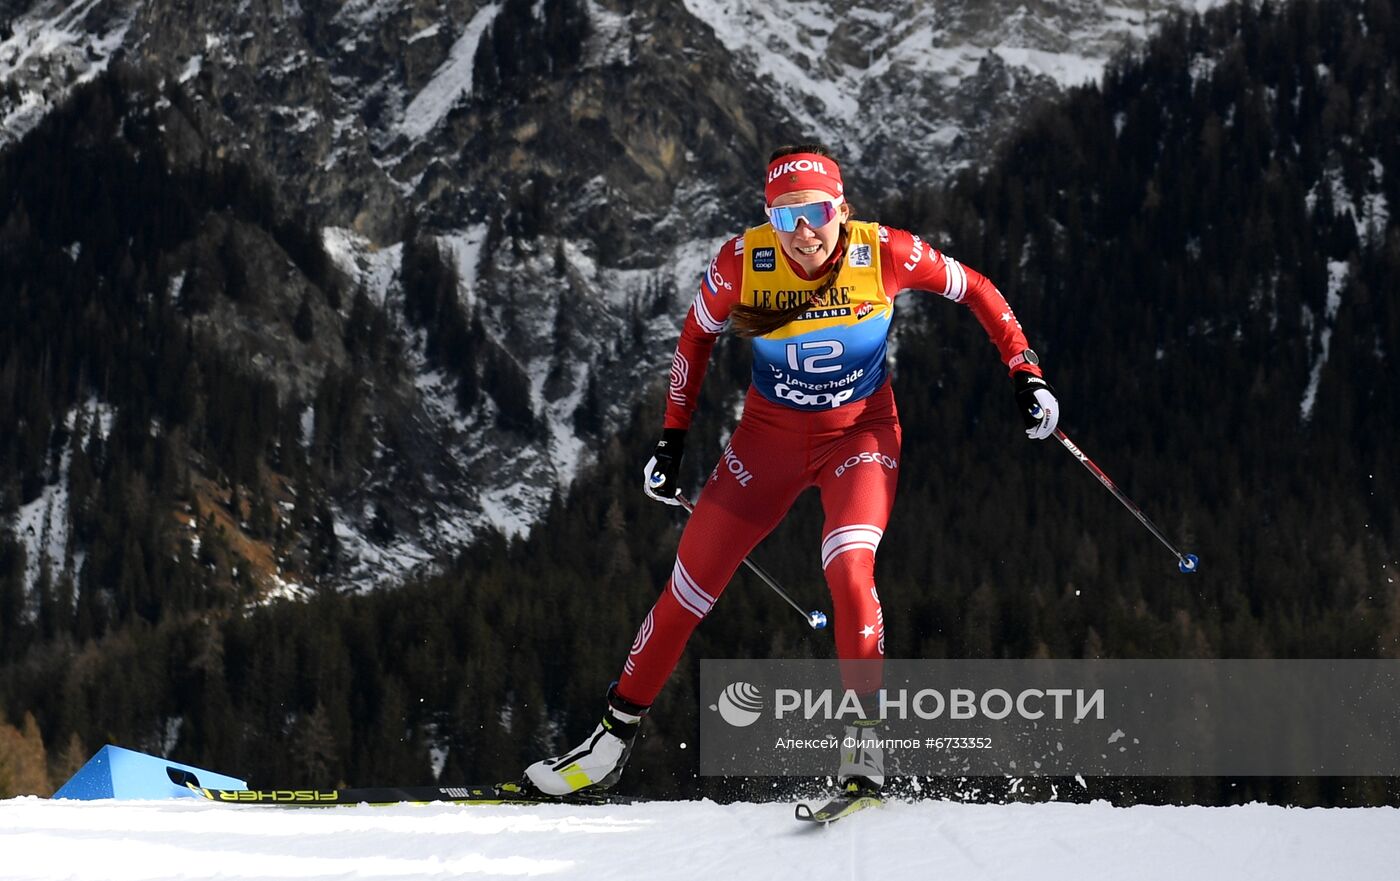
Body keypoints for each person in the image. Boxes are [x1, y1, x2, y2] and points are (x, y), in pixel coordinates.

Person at [524, 143, 1059, 798]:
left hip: (860, 435)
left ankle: (865, 747)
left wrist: (1024, 371)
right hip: (766, 444)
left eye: (814, 211)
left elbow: (977, 289)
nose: (802, 232)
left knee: (848, 565)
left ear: (842, 208)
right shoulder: (742, 263)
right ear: (767, 219)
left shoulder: (885, 252)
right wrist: (671, 442)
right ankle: (607, 744)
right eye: (785, 216)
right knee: (687, 591)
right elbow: (695, 338)